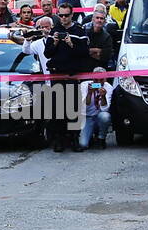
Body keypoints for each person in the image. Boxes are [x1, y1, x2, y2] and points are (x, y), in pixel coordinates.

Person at [16, 10, 87, 152]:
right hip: (55, 77)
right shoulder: (52, 34)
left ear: (72, 15)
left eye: (66, 15)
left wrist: (71, 43)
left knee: (73, 110)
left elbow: (84, 52)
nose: (64, 18)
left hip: (71, 76)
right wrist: (54, 42)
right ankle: (59, 141)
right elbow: (47, 53)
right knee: (57, 112)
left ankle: (74, 140)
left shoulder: (78, 30)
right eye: (61, 15)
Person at [77, 68, 114, 151]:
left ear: (105, 79)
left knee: (105, 116)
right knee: (83, 144)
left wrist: (103, 96)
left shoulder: (108, 87)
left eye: (101, 80)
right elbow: (83, 108)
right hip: (88, 117)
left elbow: (105, 109)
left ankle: (101, 138)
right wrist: (89, 93)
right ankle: (90, 136)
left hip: (99, 116)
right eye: (96, 80)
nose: (98, 83)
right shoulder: (84, 85)